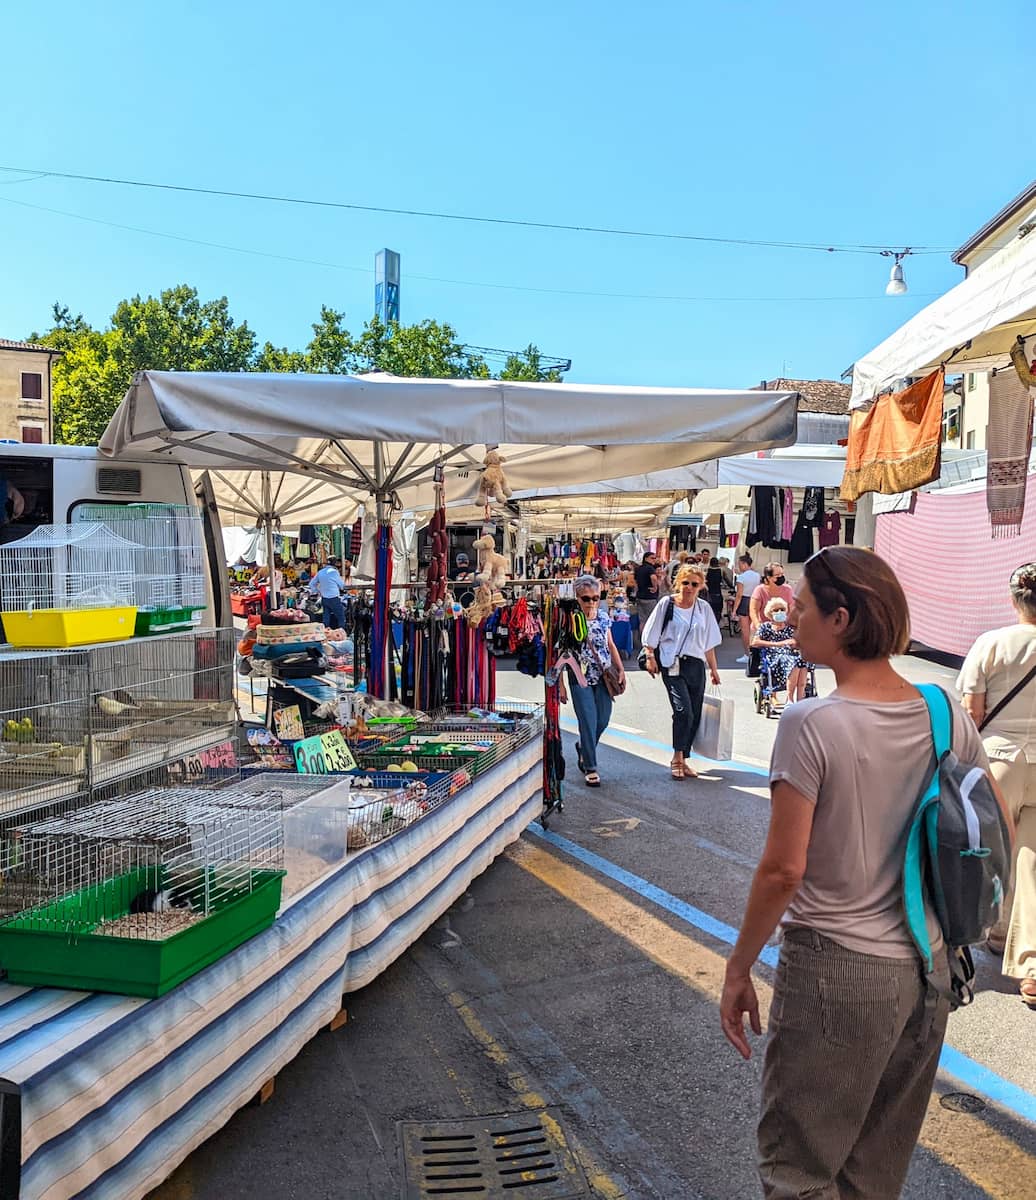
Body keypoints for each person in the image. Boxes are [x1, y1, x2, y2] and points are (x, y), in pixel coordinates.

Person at [720, 546, 1012, 1199]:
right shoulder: (944, 711)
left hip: (836, 972)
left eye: (803, 609)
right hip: (930, 970)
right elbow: (999, 833)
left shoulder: (811, 723)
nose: (791, 617)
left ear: (842, 619)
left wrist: (739, 969)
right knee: (873, 1172)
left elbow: (780, 870)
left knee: (799, 1172)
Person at [958, 562, 1036, 1008]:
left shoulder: (992, 643)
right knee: (1031, 861)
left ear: (1014, 601)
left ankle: (975, 931)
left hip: (999, 760)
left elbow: (972, 713)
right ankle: (1029, 968)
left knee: (987, 851)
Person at [641, 564, 721, 780]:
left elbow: (709, 643)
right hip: (672, 664)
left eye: (694, 584)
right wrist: (650, 656)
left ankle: (684, 758)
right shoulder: (667, 604)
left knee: (693, 714)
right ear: (678, 583)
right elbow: (652, 633)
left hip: (696, 665)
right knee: (683, 711)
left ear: (701, 586)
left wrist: (713, 669)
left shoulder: (703, 608)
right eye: (686, 583)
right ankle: (676, 757)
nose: (689, 588)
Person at [557, 575, 625, 787]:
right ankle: (590, 766)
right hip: (580, 676)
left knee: (602, 720)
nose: (591, 602)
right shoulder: (567, 619)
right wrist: (560, 684)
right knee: (588, 721)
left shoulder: (604, 617)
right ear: (577, 598)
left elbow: (610, 644)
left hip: (603, 674)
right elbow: (559, 652)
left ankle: (584, 748)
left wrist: (620, 668)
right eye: (586, 598)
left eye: (596, 598)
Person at [750, 596, 807, 707]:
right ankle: (790, 699)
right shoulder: (765, 627)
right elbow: (754, 642)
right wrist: (777, 644)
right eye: (776, 610)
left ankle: (800, 699)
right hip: (774, 656)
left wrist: (795, 642)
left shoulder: (790, 627)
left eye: (782, 609)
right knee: (794, 661)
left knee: (802, 659)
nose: (780, 612)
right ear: (770, 614)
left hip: (791, 653)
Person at [749, 561, 794, 631]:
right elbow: (753, 611)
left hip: (782, 628)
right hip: (763, 628)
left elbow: (792, 610)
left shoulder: (788, 589)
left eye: (782, 574)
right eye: (777, 575)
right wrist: (759, 627)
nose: (781, 577)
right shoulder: (760, 590)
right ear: (769, 577)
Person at [734, 553, 762, 663]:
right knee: (754, 629)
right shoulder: (757, 575)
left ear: (745, 564)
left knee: (745, 631)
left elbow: (739, 595)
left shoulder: (741, 577)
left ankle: (747, 654)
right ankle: (755, 653)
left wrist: (734, 610)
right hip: (755, 601)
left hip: (744, 602)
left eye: (740, 564)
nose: (739, 566)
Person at [308, 557, 348, 629]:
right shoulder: (334, 572)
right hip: (334, 598)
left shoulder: (320, 572)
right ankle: (342, 633)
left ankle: (325, 633)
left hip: (324, 598)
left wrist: (317, 591)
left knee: (326, 619)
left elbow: (311, 584)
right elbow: (342, 585)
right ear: (335, 564)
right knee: (341, 617)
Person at [633, 551, 662, 649]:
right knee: (652, 620)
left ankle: (642, 640)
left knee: (642, 620)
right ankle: (649, 641)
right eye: (652, 558)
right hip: (649, 597)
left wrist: (637, 593)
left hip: (640, 596)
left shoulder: (638, 569)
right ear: (646, 558)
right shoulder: (650, 568)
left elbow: (635, 583)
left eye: (655, 558)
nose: (654, 560)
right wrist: (655, 588)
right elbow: (653, 578)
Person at [705, 556, 725, 622]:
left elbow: (705, 581)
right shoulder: (721, 571)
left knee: (709, 610)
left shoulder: (707, 570)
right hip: (718, 593)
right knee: (718, 610)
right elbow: (726, 580)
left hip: (709, 593)